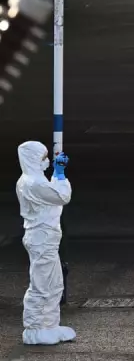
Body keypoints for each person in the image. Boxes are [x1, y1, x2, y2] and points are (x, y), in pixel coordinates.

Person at [16, 141, 76, 345]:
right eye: (43, 157)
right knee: (41, 285)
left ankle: (50, 324)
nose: (47, 161)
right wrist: (60, 174)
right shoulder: (33, 183)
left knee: (54, 283)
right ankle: (34, 328)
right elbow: (61, 196)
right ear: (33, 159)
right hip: (40, 238)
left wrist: (56, 175)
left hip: (47, 238)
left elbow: (50, 195)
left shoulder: (35, 179)